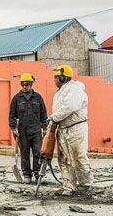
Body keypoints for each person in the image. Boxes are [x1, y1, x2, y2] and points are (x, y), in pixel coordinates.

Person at [50, 65, 93, 196]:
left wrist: (53, 118)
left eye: (56, 77)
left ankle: (85, 184)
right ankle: (68, 186)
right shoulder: (59, 93)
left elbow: (70, 107)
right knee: (64, 159)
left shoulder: (75, 89)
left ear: (62, 77)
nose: (54, 80)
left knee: (78, 157)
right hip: (63, 128)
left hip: (76, 127)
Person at [9, 73, 48, 184]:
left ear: (31, 84)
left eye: (27, 84)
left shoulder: (38, 98)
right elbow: (12, 115)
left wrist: (45, 128)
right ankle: (27, 174)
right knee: (24, 153)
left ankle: (37, 174)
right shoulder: (16, 99)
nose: (25, 86)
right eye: (23, 84)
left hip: (36, 131)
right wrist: (13, 128)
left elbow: (43, 114)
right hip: (22, 131)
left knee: (37, 153)